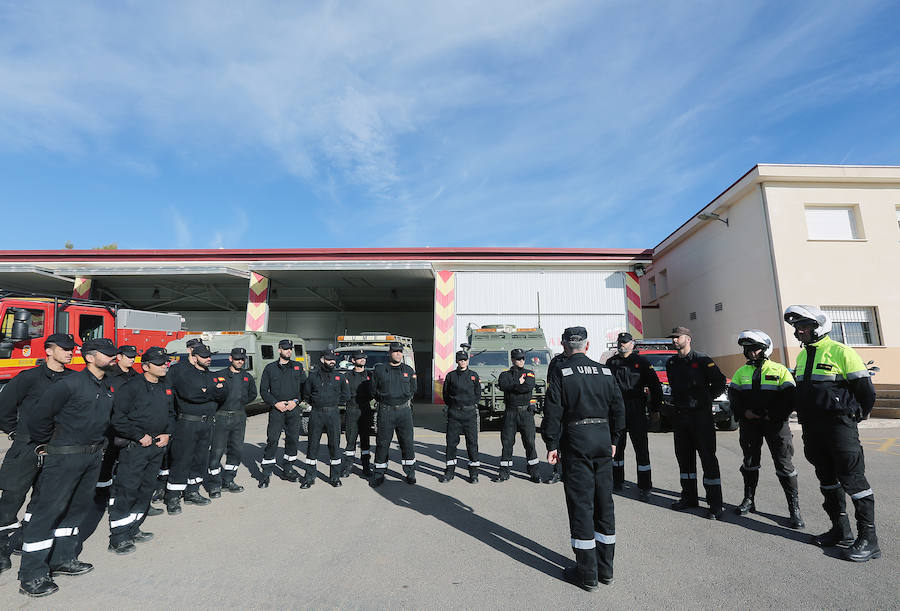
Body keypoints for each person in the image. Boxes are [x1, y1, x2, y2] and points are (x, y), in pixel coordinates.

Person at [17, 338, 118, 597]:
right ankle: (32, 575)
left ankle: (62, 559)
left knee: (76, 510)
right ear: (90, 357)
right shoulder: (69, 385)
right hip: (64, 457)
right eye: (107, 354)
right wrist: (47, 445)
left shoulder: (105, 386)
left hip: (92, 457)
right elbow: (38, 418)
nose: (112, 358)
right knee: (47, 512)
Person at [784, 305, 880, 562]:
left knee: (854, 481)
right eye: (797, 327)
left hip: (839, 428)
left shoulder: (841, 351)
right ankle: (841, 530)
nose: (800, 330)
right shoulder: (803, 357)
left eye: (805, 326)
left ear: (819, 326)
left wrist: (856, 415)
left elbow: (866, 392)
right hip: (813, 429)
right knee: (826, 480)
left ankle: (869, 540)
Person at [543, 326, 625, 591]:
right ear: (587, 346)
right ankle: (606, 569)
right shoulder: (605, 371)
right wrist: (614, 440)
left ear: (565, 347)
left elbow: (553, 410)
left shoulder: (562, 372)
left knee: (581, 505)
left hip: (576, 441)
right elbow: (618, 408)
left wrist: (551, 443)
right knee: (604, 503)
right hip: (602, 440)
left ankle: (587, 574)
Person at [0, 333, 75, 574]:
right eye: (64, 348)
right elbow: (4, 407)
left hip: (58, 449)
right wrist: (14, 432)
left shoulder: (74, 379)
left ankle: (23, 539)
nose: (70, 352)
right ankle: (1, 547)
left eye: (71, 348)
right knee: (12, 497)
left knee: (44, 499)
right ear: (49, 351)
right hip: (26, 447)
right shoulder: (29, 377)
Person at [728, 330, 804, 528]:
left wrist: (774, 415)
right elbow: (733, 398)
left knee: (784, 465)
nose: (751, 352)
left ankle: (794, 510)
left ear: (765, 349)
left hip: (776, 425)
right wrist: (745, 414)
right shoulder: (740, 372)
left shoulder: (780, 370)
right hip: (749, 425)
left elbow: (790, 397)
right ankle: (749, 501)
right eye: (748, 349)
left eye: (755, 348)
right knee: (750, 463)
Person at [107, 347, 174, 554]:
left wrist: (167, 433)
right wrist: (138, 436)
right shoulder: (131, 388)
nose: (165, 365)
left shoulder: (165, 386)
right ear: (145, 366)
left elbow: (171, 413)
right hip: (136, 448)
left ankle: (134, 528)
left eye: (165, 362)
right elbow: (118, 418)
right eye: (159, 363)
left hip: (157, 447)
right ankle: (118, 537)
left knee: (146, 489)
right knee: (128, 489)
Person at [665, 326, 727, 520]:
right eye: (673, 338)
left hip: (701, 418)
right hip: (681, 417)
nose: (674, 341)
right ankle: (689, 497)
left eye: (678, 337)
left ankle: (715, 504)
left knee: (708, 460)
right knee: (684, 459)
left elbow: (719, 382)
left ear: (688, 339)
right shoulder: (672, 362)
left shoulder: (702, 360)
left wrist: (705, 400)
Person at [164, 343, 227, 514]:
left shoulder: (209, 374)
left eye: (210, 356)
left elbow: (223, 393)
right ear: (193, 357)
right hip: (187, 423)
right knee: (182, 459)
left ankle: (192, 491)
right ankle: (173, 497)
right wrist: (211, 392)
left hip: (206, 423)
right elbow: (190, 394)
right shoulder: (181, 371)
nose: (209, 359)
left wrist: (208, 391)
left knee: (200, 459)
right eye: (205, 356)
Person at [606, 332, 662, 501]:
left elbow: (655, 386)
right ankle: (617, 482)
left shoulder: (641, 363)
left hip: (636, 408)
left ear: (632, 344)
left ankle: (645, 486)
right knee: (616, 448)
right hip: (616, 410)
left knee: (641, 450)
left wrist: (655, 409)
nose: (621, 345)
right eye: (620, 342)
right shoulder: (611, 363)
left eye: (625, 342)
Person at [205, 347, 257, 497]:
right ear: (230, 359)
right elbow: (212, 395)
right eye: (237, 358)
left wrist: (241, 402)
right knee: (216, 451)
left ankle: (228, 481)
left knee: (236, 451)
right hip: (221, 417)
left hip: (239, 417)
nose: (240, 361)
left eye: (242, 359)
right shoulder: (219, 375)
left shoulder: (247, 377)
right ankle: (214, 485)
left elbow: (253, 394)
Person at [258, 339, 307, 487]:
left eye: (290, 349)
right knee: (272, 440)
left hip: (293, 409)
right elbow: (263, 391)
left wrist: (296, 401)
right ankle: (266, 474)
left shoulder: (298, 367)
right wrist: (275, 403)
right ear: (279, 350)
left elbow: (305, 389)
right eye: (285, 349)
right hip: (277, 410)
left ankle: (288, 469)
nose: (289, 351)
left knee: (292, 440)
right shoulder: (270, 368)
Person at [370, 342, 417, 487]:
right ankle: (379, 473)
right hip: (386, 410)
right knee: (383, 443)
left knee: (407, 442)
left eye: (400, 351)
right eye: (395, 351)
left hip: (404, 411)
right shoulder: (379, 370)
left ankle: (410, 472)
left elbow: (413, 389)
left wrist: (402, 397)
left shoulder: (408, 370)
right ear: (389, 353)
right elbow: (373, 390)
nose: (398, 354)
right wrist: (385, 399)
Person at [301, 349, 350, 488]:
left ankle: (335, 477)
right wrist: (318, 402)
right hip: (316, 413)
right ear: (322, 360)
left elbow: (346, 396)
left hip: (333, 414)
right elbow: (306, 394)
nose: (332, 361)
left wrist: (332, 403)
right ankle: (309, 477)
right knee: (312, 445)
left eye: (334, 359)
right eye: (329, 359)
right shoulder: (312, 376)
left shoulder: (340, 377)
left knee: (334, 445)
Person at [497, 348, 540, 483]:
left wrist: (514, 386)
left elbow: (527, 387)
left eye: (522, 358)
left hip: (525, 413)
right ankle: (504, 472)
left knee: (530, 442)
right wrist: (518, 384)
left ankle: (534, 472)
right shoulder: (505, 374)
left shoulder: (529, 373)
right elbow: (503, 385)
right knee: (507, 443)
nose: (521, 361)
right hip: (510, 412)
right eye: (518, 359)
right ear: (512, 360)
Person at [439, 350, 482, 483]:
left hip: (469, 414)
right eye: (460, 360)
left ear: (468, 361)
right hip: (454, 413)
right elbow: (445, 394)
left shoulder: (474, 376)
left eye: (465, 359)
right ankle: (450, 471)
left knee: (472, 443)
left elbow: (478, 394)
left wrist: (469, 405)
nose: (463, 362)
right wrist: (454, 405)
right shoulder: (451, 376)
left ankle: (473, 473)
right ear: (457, 361)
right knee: (451, 443)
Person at [542, 341, 572, 484]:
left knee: (571, 443)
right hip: (558, 407)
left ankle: (569, 473)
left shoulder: (577, 359)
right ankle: (556, 472)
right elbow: (550, 383)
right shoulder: (556, 361)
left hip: (573, 408)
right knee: (557, 442)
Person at [342, 350, 373, 478]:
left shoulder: (370, 375)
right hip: (351, 409)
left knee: (365, 439)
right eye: (359, 358)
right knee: (350, 439)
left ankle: (366, 467)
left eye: (364, 358)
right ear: (353, 360)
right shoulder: (347, 376)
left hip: (365, 409)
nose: (362, 360)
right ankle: (349, 466)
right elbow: (343, 392)